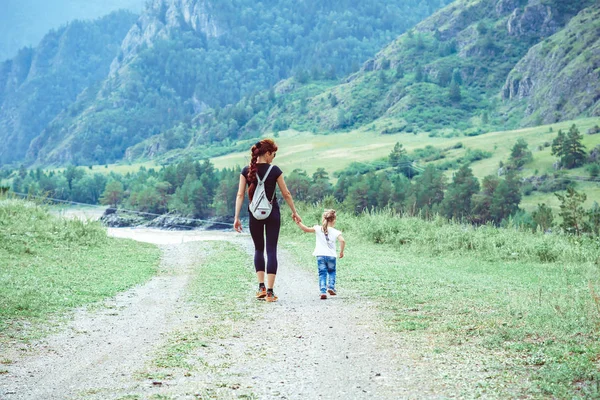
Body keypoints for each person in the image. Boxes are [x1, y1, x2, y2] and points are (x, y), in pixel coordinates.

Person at [234, 139, 302, 302]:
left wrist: (236, 217)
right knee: (271, 250)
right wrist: (295, 212)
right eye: (273, 154)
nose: (274, 158)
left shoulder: (246, 171)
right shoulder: (275, 170)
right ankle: (270, 293)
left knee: (258, 249)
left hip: (254, 214)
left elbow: (240, 195)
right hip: (273, 213)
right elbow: (286, 194)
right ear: (267, 153)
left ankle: (261, 288)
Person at [295, 209, 345, 299]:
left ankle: (323, 291)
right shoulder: (336, 231)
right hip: (331, 256)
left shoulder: (318, 228)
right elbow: (342, 240)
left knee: (322, 273)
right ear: (334, 220)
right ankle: (331, 287)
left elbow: (306, 229)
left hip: (320, 256)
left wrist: (298, 223)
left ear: (324, 219)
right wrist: (341, 252)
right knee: (332, 271)